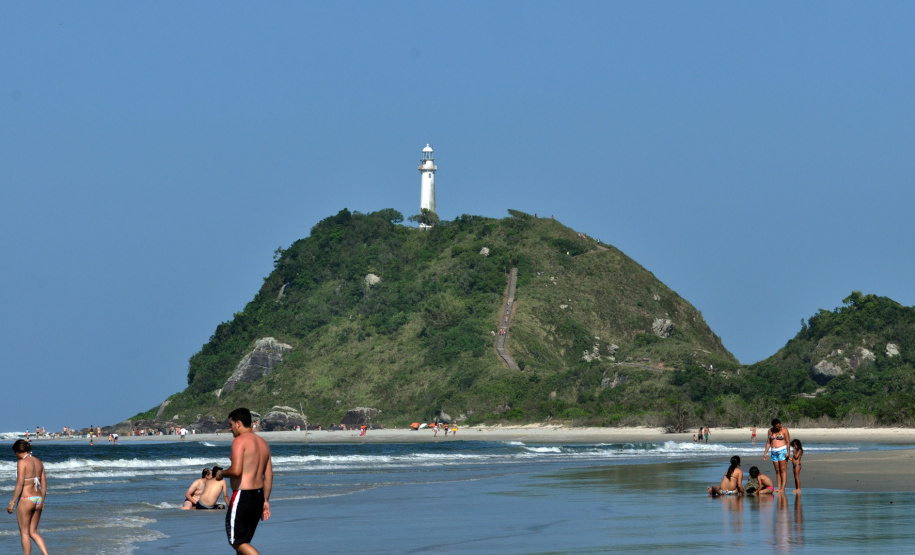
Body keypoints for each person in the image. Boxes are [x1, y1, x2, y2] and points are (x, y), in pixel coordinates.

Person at [222, 407, 273, 554]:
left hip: (243, 495)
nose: (230, 429)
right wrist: (266, 501)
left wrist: (221, 474)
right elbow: (269, 475)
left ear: (238, 423)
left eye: (231, 425)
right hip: (258, 496)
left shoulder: (239, 441)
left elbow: (236, 471)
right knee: (244, 542)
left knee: (236, 541)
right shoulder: (263, 443)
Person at [8, 440, 50, 555]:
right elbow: (44, 484)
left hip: (26, 499)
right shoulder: (38, 461)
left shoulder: (22, 462)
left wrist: (12, 502)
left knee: (25, 533)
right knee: (33, 532)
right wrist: (42, 501)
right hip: (38, 499)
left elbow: (20, 484)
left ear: (17, 451)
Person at [763, 418, 792, 493]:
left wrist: (788, 452)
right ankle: (779, 487)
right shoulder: (770, 431)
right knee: (777, 470)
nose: (779, 428)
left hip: (782, 450)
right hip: (773, 451)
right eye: (777, 427)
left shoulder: (784, 430)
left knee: (783, 469)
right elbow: (769, 442)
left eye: (779, 426)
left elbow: (788, 442)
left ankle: (783, 488)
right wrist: (765, 453)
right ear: (773, 426)